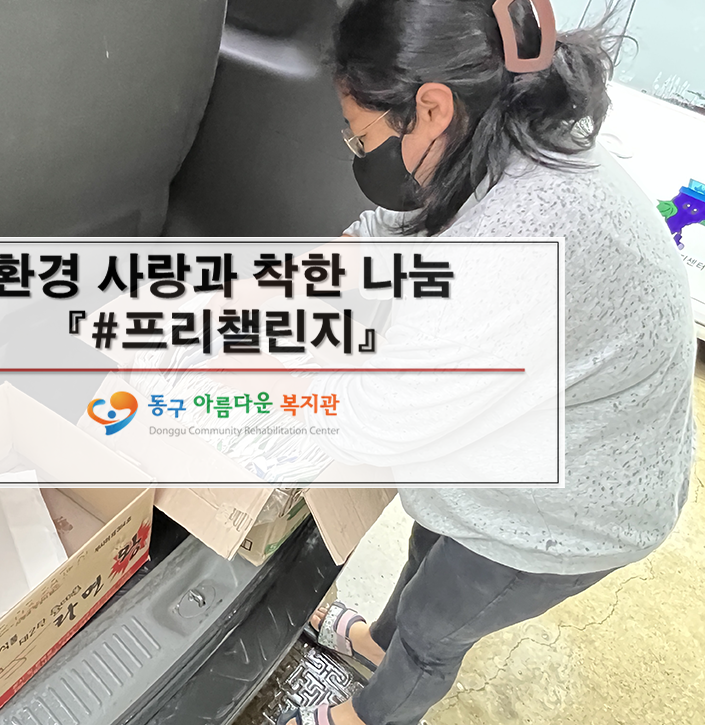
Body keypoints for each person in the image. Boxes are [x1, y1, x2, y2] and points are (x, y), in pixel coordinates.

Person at [276, 0, 697, 724]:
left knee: (436, 628)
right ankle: (376, 643)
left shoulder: (516, 239)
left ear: (432, 108)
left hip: (574, 504)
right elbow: (399, 225)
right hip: (550, 428)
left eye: (361, 134)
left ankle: (369, 715)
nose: (357, 149)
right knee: (431, 540)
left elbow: (377, 424)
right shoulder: (499, 131)